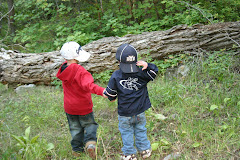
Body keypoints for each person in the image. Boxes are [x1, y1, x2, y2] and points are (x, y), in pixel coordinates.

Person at [104, 43, 158, 160]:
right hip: (139, 111)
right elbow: (154, 72)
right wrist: (148, 65)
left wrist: (109, 96)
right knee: (140, 129)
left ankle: (129, 154)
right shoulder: (141, 73)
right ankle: (144, 150)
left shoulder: (116, 76)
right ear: (136, 61)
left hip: (125, 113)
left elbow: (111, 95)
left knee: (126, 132)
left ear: (119, 61)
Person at [56, 41, 107, 159]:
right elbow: (88, 85)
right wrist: (102, 91)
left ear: (64, 57)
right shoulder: (80, 71)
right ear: (77, 56)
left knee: (75, 128)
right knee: (90, 125)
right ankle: (90, 144)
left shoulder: (63, 69)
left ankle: (76, 151)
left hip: (69, 107)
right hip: (83, 106)